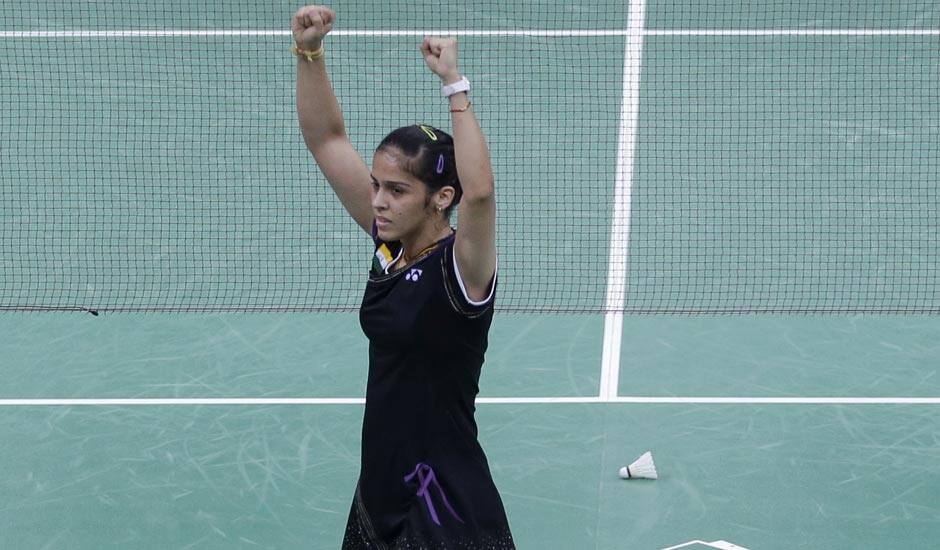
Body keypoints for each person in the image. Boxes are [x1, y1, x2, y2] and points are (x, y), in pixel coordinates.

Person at [292, 5, 515, 549]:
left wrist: (454, 87)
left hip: (444, 497)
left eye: (396, 190)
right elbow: (327, 140)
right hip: (383, 484)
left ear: (441, 198)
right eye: (376, 185)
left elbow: (480, 193)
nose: (378, 201)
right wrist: (309, 53)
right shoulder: (391, 247)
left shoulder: (463, 269)